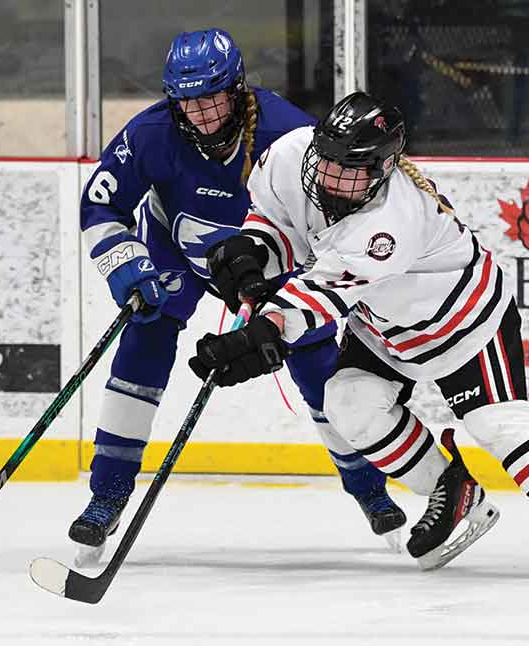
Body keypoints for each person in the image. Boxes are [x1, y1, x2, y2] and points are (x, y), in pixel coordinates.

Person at [189, 90, 529, 582]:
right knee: (346, 403)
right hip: (383, 322)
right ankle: (453, 489)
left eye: (349, 169)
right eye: (327, 160)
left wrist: (264, 333)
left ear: (383, 169)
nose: (329, 177)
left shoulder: (392, 221)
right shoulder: (295, 155)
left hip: (462, 321)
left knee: (497, 424)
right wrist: (251, 255)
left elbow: (319, 296)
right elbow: (278, 222)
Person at [73, 29, 405, 565]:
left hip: (269, 264)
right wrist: (124, 264)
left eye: (211, 98)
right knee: (144, 343)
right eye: (188, 101)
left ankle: (370, 491)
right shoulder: (152, 133)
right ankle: (106, 496)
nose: (201, 114)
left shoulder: (290, 134)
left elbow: (330, 219)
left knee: (317, 360)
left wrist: (301, 288)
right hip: (175, 256)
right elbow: (100, 204)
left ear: (237, 89)